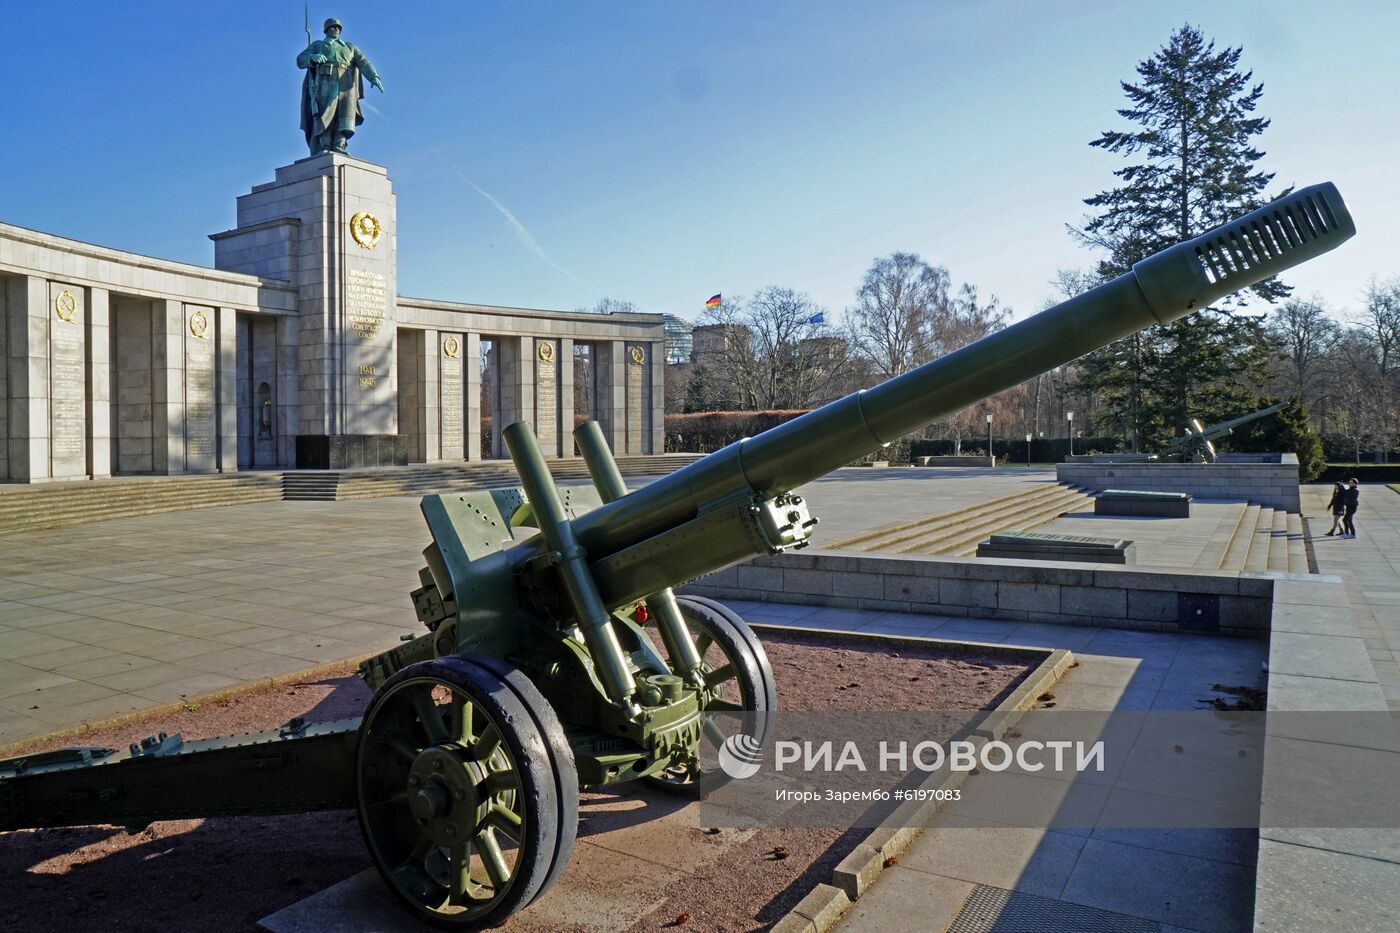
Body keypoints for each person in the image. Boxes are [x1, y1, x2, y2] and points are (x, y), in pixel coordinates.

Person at [298, 18, 384, 156]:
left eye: (338, 28)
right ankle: (324, 145)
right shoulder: (318, 45)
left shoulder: (349, 47)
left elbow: (363, 62)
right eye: (332, 27)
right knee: (325, 115)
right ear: (326, 30)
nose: (336, 29)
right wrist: (313, 57)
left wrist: (374, 77)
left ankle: (339, 145)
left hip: (346, 85)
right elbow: (300, 59)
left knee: (344, 116)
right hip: (325, 82)